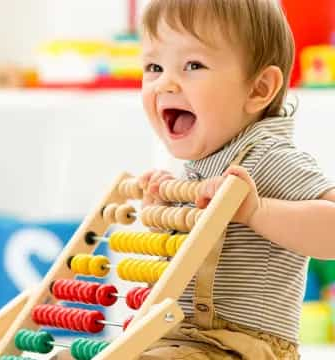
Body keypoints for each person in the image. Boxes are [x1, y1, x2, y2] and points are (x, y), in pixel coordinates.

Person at [53, 1, 335, 359]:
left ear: (258, 89)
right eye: (154, 67)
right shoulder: (200, 166)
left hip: (242, 347)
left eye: (193, 65)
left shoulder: (266, 157)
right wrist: (162, 219)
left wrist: (256, 209)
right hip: (178, 339)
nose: (166, 83)